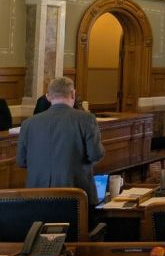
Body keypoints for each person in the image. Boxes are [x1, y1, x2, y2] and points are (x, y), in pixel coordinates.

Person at [16, 77, 105, 205]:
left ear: (48, 97)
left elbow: (21, 161)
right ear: (73, 94)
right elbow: (96, 154)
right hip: (76, 197)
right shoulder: (86, 119)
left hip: (36, 197)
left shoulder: (28, 123)